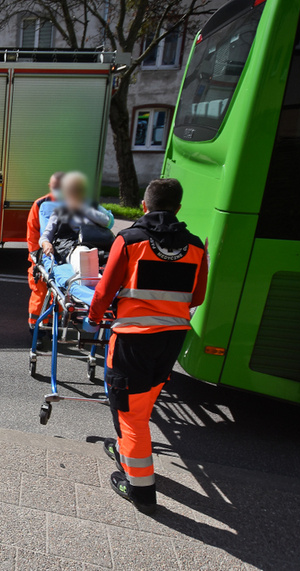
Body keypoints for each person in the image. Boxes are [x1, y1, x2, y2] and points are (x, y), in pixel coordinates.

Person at [86, 178, 208, 514]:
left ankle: (141, 490)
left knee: (130, 414)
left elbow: (105, 290)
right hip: (171, 339)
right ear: (178, 208)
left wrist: (96, 317)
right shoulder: (197, 247)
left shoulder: (130, 241)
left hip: (133, 340)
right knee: (141, 406)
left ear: (144, 205)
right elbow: (197, 296)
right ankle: (125, 450)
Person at [39, 172, 113, 264]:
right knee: (83, 253)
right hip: (72, 247)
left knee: (113, 256)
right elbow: (46, 235)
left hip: (98, 246)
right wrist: (46, 243)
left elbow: (106, 221)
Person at [26, 172, 64, 346]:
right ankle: (37, 330)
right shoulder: (41, 204)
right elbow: (33, 233)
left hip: (62, 257)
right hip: (42, 258)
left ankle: (51, 327)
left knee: (59, 296)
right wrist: (36, 257)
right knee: (41, 293)